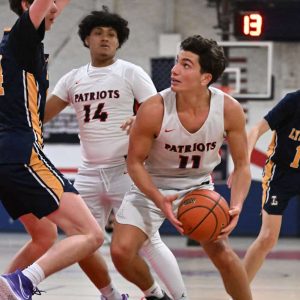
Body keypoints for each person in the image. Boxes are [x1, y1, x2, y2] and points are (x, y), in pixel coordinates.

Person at [44, 8, 188, 300]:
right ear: (87, 39)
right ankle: (110, 295)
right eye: (98, 33)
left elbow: (159, 109)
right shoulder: (72, 79)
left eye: (111, 34)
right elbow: (41, 115)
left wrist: (140, 118)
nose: (105, 39)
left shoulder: (130, 72)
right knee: (81, 241)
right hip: (88, 173)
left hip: (127, 171)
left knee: (148, 241)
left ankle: (180, 297)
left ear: (119, 41)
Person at [111, 35, 253, 300]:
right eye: (177, 62)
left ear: (205, 78)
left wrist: (237, 205)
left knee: (222, 252)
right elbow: (133, 163)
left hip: (197, 188)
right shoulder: (154, 108)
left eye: (186, 65)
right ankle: (156, 295)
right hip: (151, 188)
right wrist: (158, 197)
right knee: (121, 251)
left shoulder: (229, 109)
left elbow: (243, 166)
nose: (175, 70)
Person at [0, 1, 103, 299]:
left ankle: (7, 291)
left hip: (7, 156)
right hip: (21, 155)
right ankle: (23, 281)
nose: (56, 7)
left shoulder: (10, 47)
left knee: (43, 235)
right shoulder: (22, 36)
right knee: (90, 234)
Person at [238, 90, 300, 283]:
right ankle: (239, 291)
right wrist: (244, 162)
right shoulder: (293, 101)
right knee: (267, 238)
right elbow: (257, 128)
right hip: (281, 174)